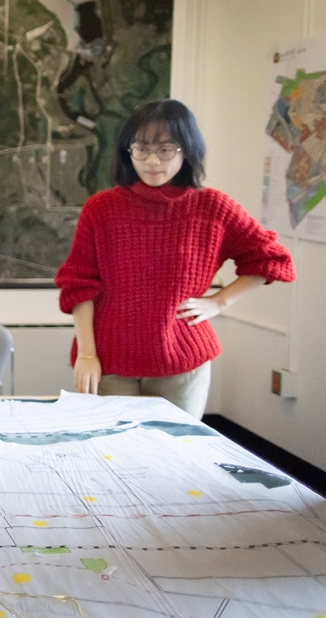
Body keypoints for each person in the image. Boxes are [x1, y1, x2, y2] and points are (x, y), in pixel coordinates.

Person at [55, 99, 294, 418]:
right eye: (141, 148)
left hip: (182, 363)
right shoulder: (102, 209)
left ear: (187, 150)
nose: (152, 160)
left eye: (166, 149)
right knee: (112, 454)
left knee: (176, 457)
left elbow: (272, 258)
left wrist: (219, 302)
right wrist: (86, 354)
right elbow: (79, 285)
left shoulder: (213, 208)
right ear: (128, 151)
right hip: (109, 361)